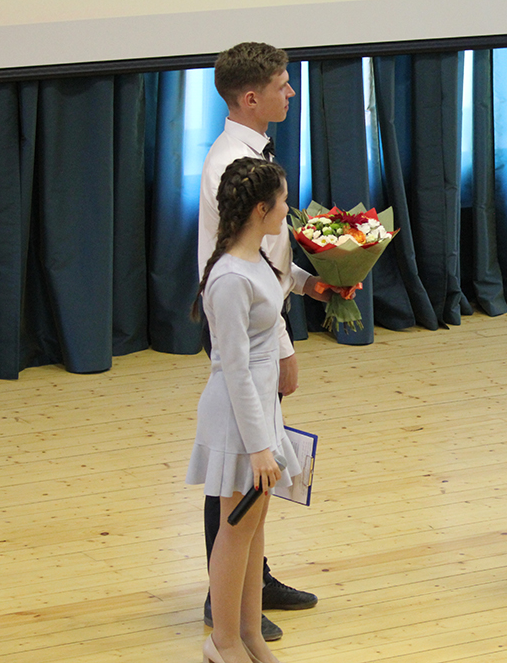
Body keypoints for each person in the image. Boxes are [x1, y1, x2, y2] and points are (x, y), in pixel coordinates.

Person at [198, 42, 325, 640]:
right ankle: (222, 604)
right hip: (247, 337)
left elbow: (266, 262)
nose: (291, 92)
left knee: (254, 477)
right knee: (237, 471)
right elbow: (234, 272)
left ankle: (252, 586)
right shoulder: (230, 167)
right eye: (282, 84)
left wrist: (310, 283)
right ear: (251, 98)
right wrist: (283, 345)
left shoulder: (253, 156)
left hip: (259, 322)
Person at [188, 157, 302, 663]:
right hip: (239, 419)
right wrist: (259, 447)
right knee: (234, 532)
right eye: (282, 202)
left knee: (254, 530)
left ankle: (250, 635)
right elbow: (233, 368)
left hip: (260, 409)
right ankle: (224, 641)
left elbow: (277, 290)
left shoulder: (256, 259)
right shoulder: (230, 277)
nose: (287, 210)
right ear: (260, 209)